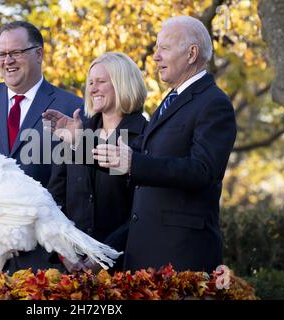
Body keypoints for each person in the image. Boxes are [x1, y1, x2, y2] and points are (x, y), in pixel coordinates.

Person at [91, 16, 237, 273]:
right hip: (144, 255)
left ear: (191, 54)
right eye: (156, 48)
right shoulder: (172, 100)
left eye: (164, 48)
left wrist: (135, 163)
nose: (155, 57)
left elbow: (203, 171)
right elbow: (140, 156)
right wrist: (77, 141)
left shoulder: (214, 103)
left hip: (181, 257)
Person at [0, 21, 83, 272]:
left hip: (44, 262)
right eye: (2, 54)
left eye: (16, 53)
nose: (7, 61)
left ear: (39, 54)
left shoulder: (72, 107)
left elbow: (80, 185)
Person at [45, 52, 148, 272]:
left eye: (101, 81)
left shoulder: (146, 136)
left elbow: (144, 210)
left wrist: (102, 256)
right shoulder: (76, 131)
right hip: (72, 268)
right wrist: (65, 253)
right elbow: (54, 201)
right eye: (90, 82)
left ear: (123, 84)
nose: (93, 89)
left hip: (124, 268)